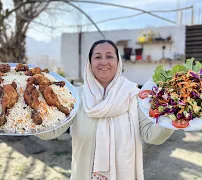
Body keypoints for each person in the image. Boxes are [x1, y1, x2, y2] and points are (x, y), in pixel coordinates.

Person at [35, 39, 174, 180]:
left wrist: (171, 118)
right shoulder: (76, 97)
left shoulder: (133, 95)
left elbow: (151, 135)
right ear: (89, 64)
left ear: (118, 61)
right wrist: (31, 115)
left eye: (109, 56)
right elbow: (53, 130)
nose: (104, 62)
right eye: (97, 57)